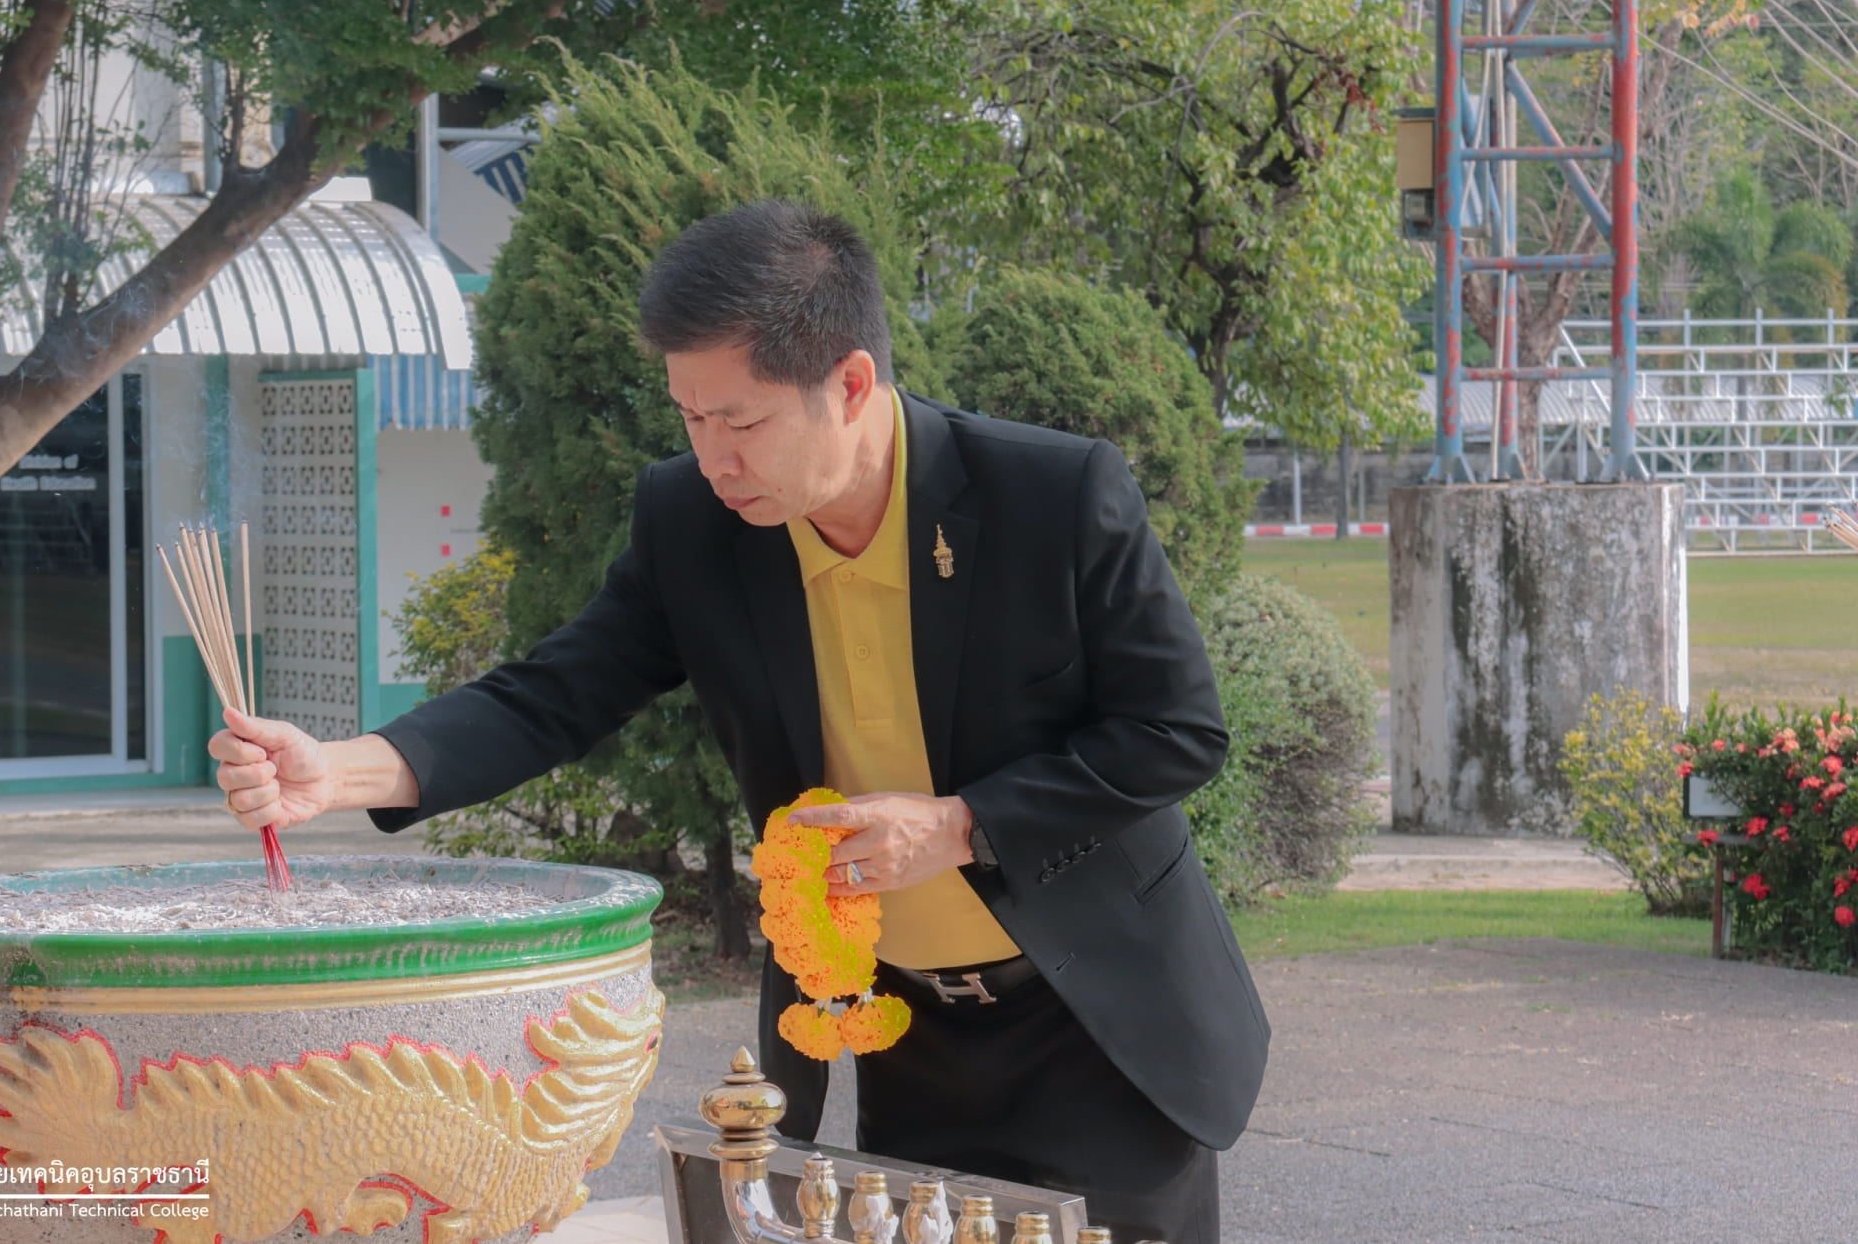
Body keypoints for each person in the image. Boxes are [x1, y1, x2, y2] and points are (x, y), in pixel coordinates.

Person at [209, 198, 1269, 1242]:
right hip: (901, 1033)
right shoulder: (696, 525)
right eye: (691, 418)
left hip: (1098, 1023)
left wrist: (958, 826)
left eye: (743, 422)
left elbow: (1174, 730)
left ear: (850, 384)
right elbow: (555, 692)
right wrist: (339, 770)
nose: (714, 457)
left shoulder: (1049, 494)